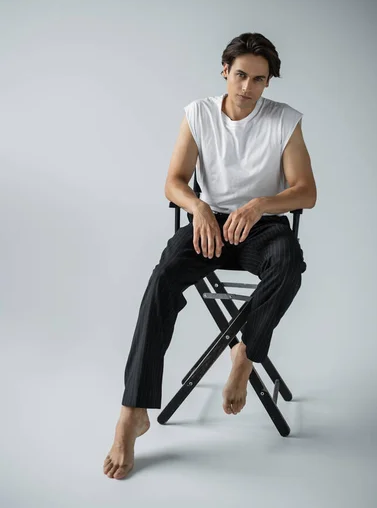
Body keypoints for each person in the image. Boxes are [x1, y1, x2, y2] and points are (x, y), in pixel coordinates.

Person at [103, 32, 317, 479]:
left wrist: (259, 204)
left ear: (267, 83)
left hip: (262, 226)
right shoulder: (198, 114)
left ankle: (245, 354)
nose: (247, 87)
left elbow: (306, 192)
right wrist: (198, 206)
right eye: (240, 75)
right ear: (225, 71)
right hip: (210, 223)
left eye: (259, 80)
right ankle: (132, 412)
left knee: (290, 265)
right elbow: (174, 181)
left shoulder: (284, 120)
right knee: (162, 280)